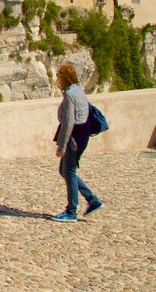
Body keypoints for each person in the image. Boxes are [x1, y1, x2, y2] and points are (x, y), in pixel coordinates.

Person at [52, 63, 103, 222]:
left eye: (59, 74)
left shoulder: (69, 95)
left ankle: (72, 211)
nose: (57, 78)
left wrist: (62, 146)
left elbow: (68, 123)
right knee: (65, 171)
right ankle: (92, 199)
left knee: (69, 172)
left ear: (63, 77)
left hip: (74, 138)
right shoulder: (78, 90)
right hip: (82, 135)